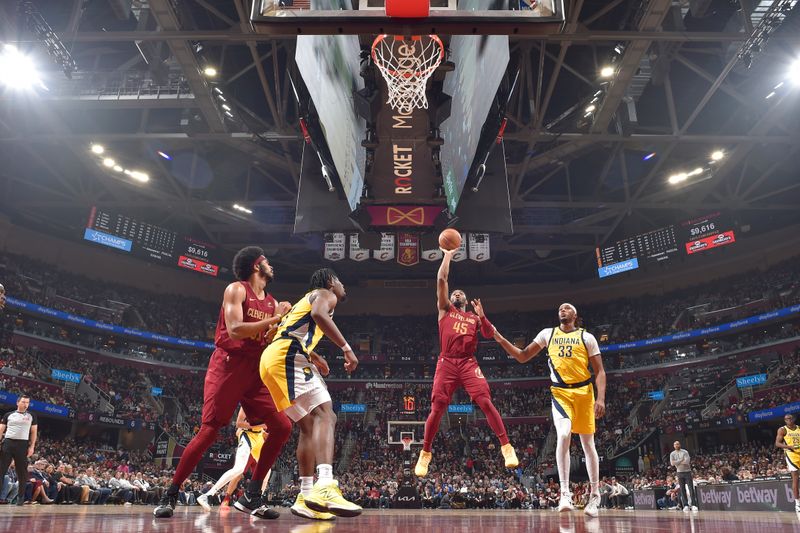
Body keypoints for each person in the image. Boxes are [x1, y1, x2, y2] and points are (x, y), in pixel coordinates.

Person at [154, 247, 293, 519]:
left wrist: (280, 322)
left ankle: (252, 494)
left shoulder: (272, 301)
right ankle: (170, 494)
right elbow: (235, 330)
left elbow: (267, 339)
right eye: (266, 261)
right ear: (256, 266)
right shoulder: (237, 290)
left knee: (282, 426)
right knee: (209, 431)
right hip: (228, 365)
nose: (271, 266)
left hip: (255, 371)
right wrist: (276, 318)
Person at [260, 268, 360, 519]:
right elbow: (318, 314)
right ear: (330, 282)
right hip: (286, 356)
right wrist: (346, 349)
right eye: (340, 282)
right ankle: (325, 485)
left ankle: (305, 496)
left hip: (272, 360)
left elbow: (287, 331)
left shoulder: (302, 301)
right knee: (327, 414)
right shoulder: (325, 294)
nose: (343, 287)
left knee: (307, 426)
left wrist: (314, 357)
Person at [493, 303, 606, 517]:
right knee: (563, 435)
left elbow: (600, 371)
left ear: (575, 315)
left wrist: (600, 398)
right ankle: (565, 494)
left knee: (588, 444)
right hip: (561, 393)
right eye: (560, 308)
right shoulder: (548, 334)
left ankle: (595, 495)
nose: (562, 309)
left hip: (584, 393)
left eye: (567, 308)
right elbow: (522, 355)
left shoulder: (587, 337)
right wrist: (498, 337)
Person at [415, 249, 518, 479]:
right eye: (455, 293)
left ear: (466, 300)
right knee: (438, 406)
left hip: (468, 363)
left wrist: (482, 316)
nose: (458, 294)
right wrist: (448, 255)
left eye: (461, 293)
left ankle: (506, 447)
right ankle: (425, 452)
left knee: (484, 401)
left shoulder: (473, 317)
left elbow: (489, 334)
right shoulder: (444, 310)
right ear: (450, 299)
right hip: (447, 362)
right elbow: (442, 279)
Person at [197, 407, 270, 511]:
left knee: (267, 470)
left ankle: (257, 500)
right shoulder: (247, 404)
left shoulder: (265, 404)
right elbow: (239, 425)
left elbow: (261, 426)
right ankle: (208, 495)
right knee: (238, 470)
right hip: (247, 436)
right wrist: (261, 426)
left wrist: (263, 431)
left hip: (258, 437)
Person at [0, 394, 37, 506]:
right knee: (1, 470)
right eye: (23, 402)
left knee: (22, 473)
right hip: (8, 442)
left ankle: (20, 497)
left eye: (27, 402)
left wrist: (32, 446)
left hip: (22, 444)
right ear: (17, 403)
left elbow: (34, 432)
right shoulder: (8, 415)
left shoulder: (32, 416)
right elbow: (1, 429)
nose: (25, 404)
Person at [776, 413, 800, 513]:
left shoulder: (798, 428)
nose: (788, 420)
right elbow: (777, 443)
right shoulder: (782, 429)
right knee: (795, 478)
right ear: (785, 421)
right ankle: (798, 503)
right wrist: (790, 447)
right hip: (791, 454)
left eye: (790, 418)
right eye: (786, 419)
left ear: (793, 419)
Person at [669, 440, 698, 512]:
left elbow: (687, 461)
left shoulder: (685, 452)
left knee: (690, 488)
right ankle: (685, 505)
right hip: (679, 472)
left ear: (680, 445)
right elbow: (672, 463)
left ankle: (694, 505)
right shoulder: (672, 454)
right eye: (675, 445)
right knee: (682, 489)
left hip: (687, 471)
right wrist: (681, 460)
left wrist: (677, 462)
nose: (676, 445)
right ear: (674, 446)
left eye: (678, 444)